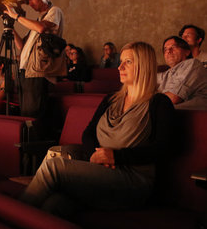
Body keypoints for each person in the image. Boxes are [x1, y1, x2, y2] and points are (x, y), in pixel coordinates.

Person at [19, 42, 175, 218]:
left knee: (54, 167)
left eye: (128, 62)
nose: (120, 66)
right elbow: (89, 133)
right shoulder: (111, 99)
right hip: (100, 170)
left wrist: (116, 157)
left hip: (133, 180)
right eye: (121, 61)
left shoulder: (159, 103)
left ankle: (12, 223)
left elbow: (163, 148)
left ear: (143, 65)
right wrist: (98, 155)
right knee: (54, 204)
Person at [4, 0, 64, 118]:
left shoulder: (54, 11)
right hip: (27, 70)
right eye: (28, 0)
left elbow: (41, 28)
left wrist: (16, 16)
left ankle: (35, 138)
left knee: (33, 114)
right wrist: (10, 27)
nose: (30, 4)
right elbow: (21, 46)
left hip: (38, 72)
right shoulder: (37, 21)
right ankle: (27, 138)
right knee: (25, 113)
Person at [158, 36, 207, 110]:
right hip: (171, 115)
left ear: (187, 52)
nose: (168, 51)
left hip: (193, 117)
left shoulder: (192, 64)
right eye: (165, 49)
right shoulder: (166, 74)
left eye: (173, 47)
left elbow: (173, 98)